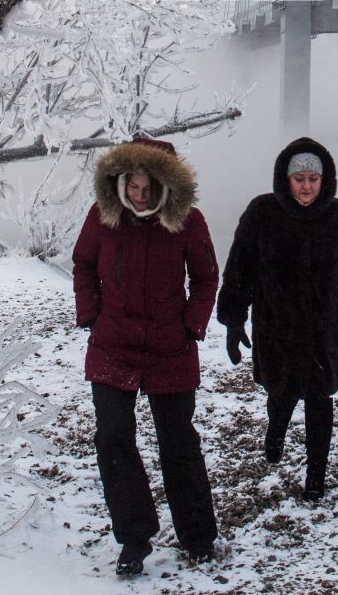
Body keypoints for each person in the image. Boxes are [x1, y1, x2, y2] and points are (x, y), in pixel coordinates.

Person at [72, 137, 219, 577]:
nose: (140, 195)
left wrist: (191, 326)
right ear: (121, 182)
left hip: (169, 348)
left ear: (165, 185)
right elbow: (82, 265)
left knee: (178, 443)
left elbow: (207, 278)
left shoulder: (188, 222)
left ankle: (198, 536)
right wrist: (91, 315)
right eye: (133, 186)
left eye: (148, 187)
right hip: (112, 346)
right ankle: (134, 538)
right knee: (113, 439)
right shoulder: (103, 218)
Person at [216, 136, 338, 501]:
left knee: (319, 398)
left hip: (323, 329)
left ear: (324, 179)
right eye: (300, 179)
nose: (307, 186)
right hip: (275, 327)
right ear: (286, 178)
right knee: (280, 392)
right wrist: (234, 320)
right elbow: (238, 270)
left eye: (314, 178)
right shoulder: (261, 213)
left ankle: (316, 473)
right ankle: (276, 431)